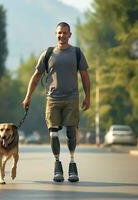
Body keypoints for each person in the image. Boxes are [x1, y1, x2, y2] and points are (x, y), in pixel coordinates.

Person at [22, 22, 90, 182]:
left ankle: (72, 164)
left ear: (70, 35)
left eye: (65, 33)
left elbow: (85, 76)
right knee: (53, 133)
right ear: (56, 34)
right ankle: (57, 165)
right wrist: (28, 96)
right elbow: (36, 76)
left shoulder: (77, 53)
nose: (62, 36)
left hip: (71, 98)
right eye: (59, 33)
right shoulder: (48, 53)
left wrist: (88, 96)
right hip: (52, 99)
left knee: (71, 132)